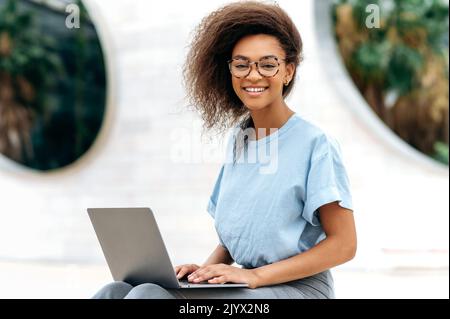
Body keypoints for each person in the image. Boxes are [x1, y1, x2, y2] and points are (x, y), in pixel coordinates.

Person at [93, 0, 357, 299]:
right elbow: (235, 242)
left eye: (268, 64)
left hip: (298, 290)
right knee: (116, 291)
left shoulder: (315, 144)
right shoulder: (239, 140)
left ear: (288, 71)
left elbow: (344, 244)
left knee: (146, 298)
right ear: (230, 71)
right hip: (248, 285)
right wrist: (200, 277)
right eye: (241, 64)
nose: (253, 75)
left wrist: (255, 276)